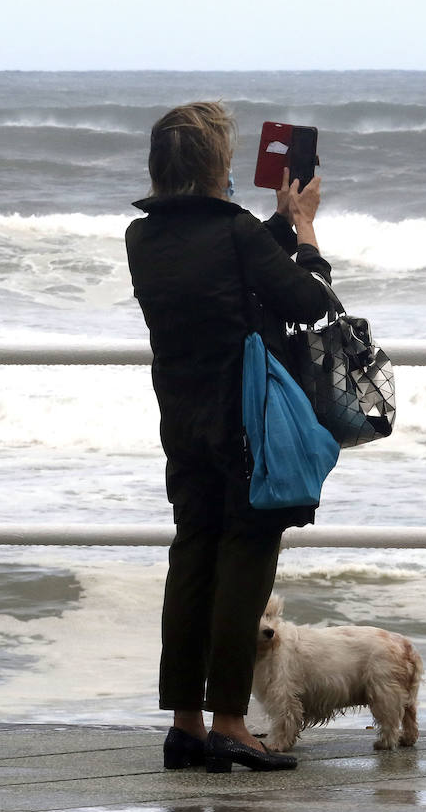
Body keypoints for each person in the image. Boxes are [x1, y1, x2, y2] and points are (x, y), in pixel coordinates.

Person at [125, 101, 331, 773]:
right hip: (246, 422)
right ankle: (233, 724)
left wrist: (275, 223)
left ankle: (186, 723)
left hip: (182, 419)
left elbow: (221, 263)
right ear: (219, 166)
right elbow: (311, 305)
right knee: (245, 557)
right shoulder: (236, 234)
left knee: (193, 558)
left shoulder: (144, 238)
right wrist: (304, 233)